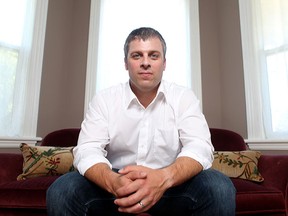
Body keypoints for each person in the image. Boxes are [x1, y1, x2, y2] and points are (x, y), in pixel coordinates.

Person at [47, 27, 236, 216]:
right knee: (62, 190)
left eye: (153, 56)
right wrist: (113, 182)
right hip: (115, 185)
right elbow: (87, 150)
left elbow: (200, 146)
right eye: (137, 56)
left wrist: (163, 178)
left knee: (219, 187)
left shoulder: (183, 97)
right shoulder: (104, 99)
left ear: (164, 63)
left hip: (171, 185)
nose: (145, 63)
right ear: (126, 63)